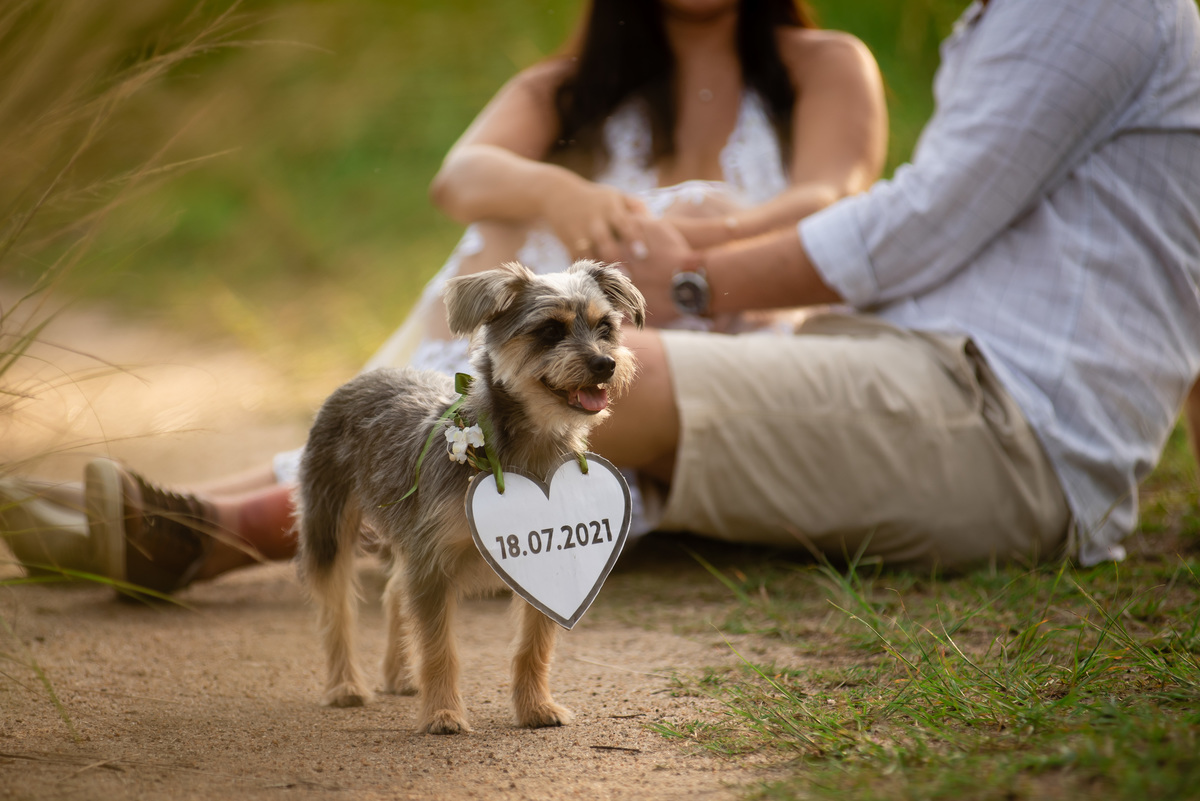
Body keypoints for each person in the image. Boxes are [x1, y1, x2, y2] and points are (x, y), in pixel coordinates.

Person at [0, 0, 889, 591]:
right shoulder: (577, 86)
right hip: (562, 369)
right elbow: (460, 174)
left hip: (714, 346)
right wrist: (562, 195)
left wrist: (693, 246)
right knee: (502, 235)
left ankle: (215, 530)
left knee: (551, 323)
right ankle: (164, 515)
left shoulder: (824, 65)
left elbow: (834, 198)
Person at [589, 0, 1200, 568]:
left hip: (1009, 420)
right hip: (931, 369)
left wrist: (691, 281)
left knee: (605, 371)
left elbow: (925, 221)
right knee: (575, 369)